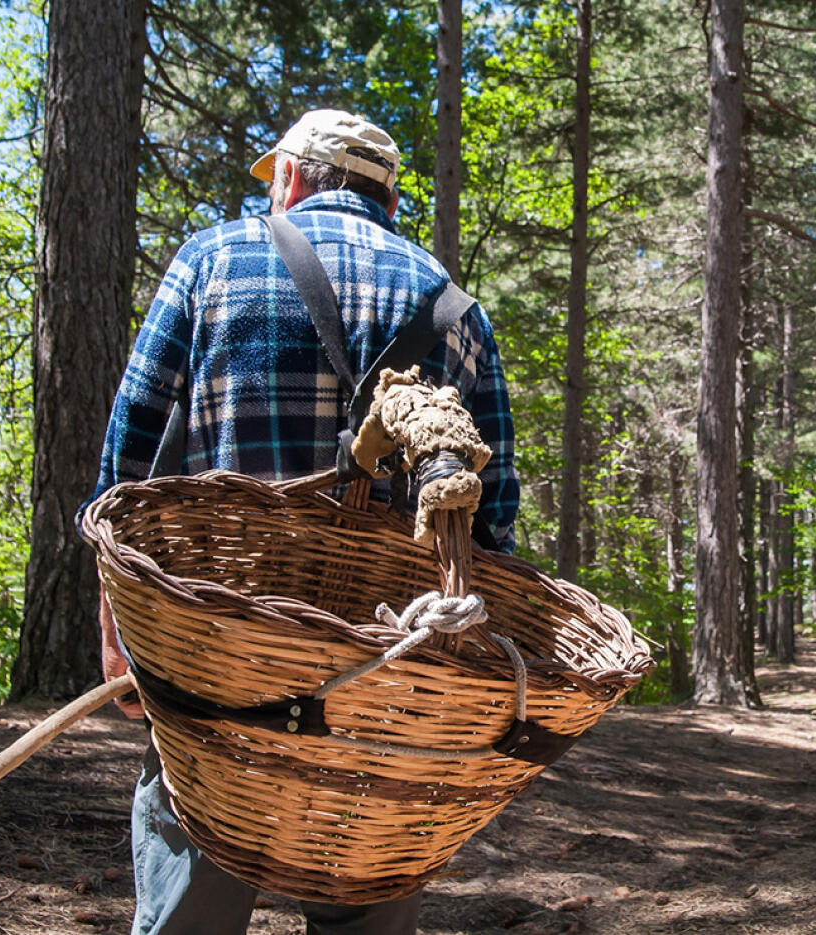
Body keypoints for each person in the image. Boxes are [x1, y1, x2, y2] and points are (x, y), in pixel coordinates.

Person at [87, 109, 520, 935]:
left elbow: (129, 463)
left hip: (218, 640)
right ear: (387, 200)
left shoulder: (211, 260)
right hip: (386, 668)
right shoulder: (454, 307)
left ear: (290, 177)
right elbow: (490, 518)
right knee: (367, 876)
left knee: (193, 890)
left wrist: (117, 612)